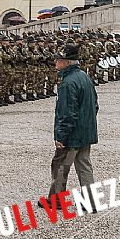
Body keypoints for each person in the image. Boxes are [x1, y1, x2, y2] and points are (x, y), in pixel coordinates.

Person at [47, 43, 98, 205]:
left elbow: (67, 113)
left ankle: (55, 201)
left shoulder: (68, 82)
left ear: (67, 62)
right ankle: (90, 201)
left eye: (59, 60)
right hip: (86, 130)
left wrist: (61, 135)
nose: (56, 63)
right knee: (84, 167)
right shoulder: (84, 76)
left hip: (73, 134)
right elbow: (95, 105)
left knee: (61, 166)